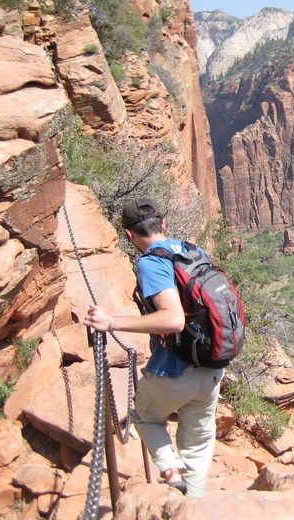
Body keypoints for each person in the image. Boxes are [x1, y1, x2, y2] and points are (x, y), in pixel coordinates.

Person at [82, 198, 223, 498]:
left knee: (144, 416)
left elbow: (173, 320)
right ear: (164, 225)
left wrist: (112, 323)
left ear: (129, 235)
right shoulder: (192, 250)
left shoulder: (150, 263)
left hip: (176, 370)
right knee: (198, 446)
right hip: (212, 367)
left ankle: (171, 477)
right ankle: (192, 510)